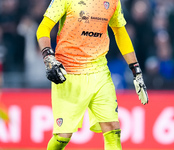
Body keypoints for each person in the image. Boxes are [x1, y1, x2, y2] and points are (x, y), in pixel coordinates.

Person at [36, 0, 148, 149]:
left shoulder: (114, 1)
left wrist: (136, 70)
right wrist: (48, 56)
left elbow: (120, 32)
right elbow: (43, 28)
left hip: (99, 71)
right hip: (69, 72)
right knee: (62, 137)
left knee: (113, 129)